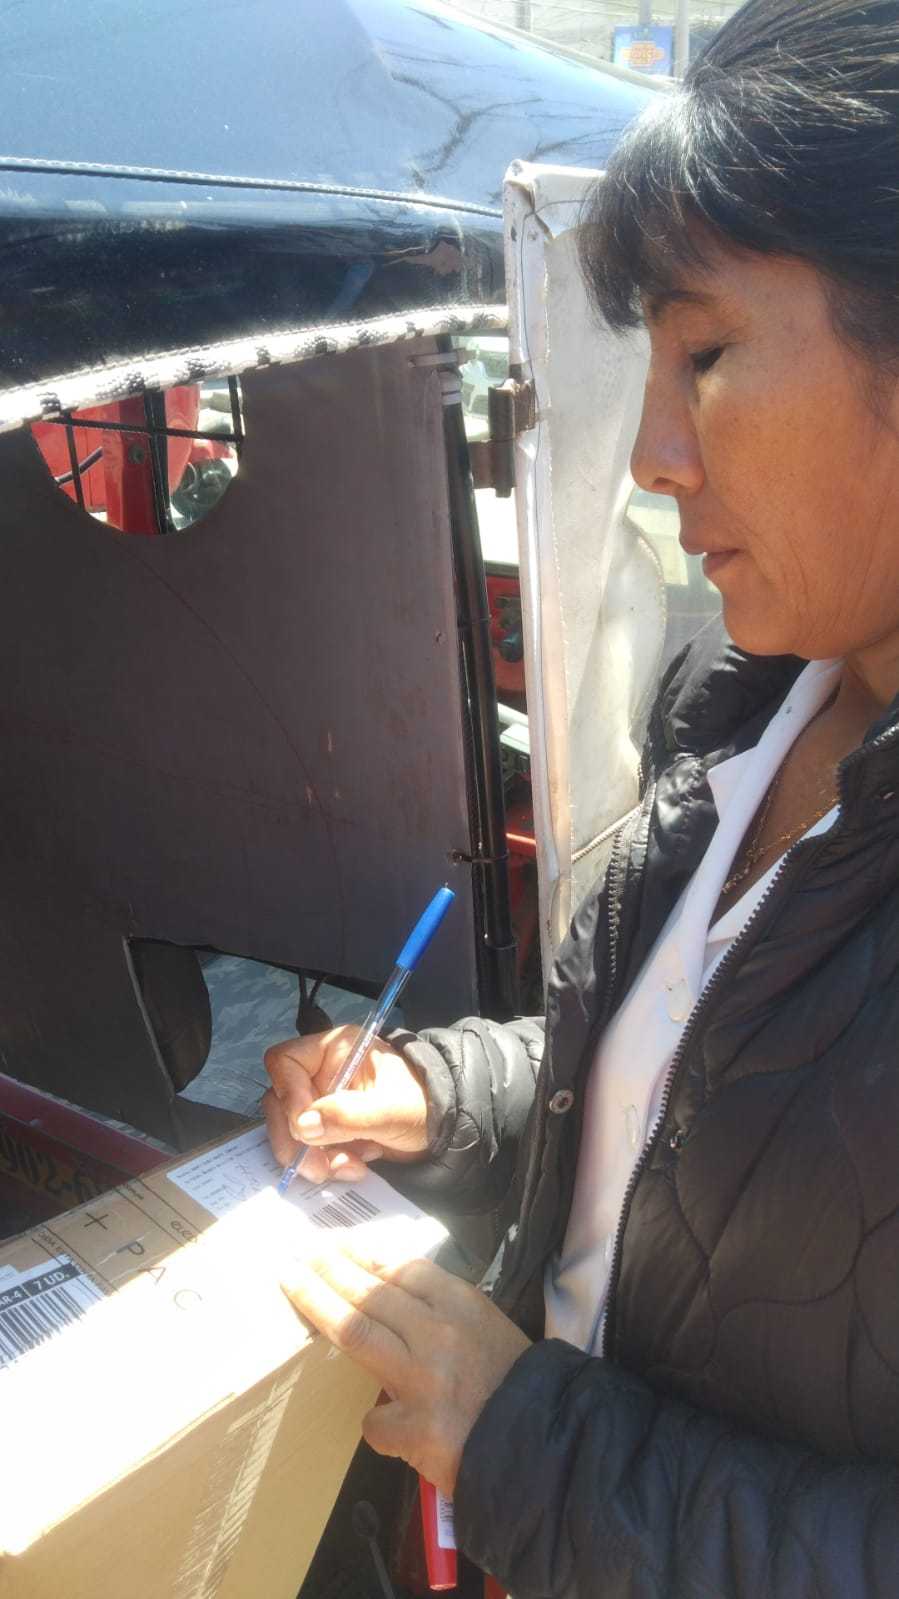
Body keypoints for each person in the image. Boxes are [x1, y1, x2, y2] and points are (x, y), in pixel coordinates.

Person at [263, 2, 899, 1592]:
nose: (652, 458)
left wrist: (527, 1441)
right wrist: (451, 1092)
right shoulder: (756, 700)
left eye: (707, 354)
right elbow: (698, 1064)